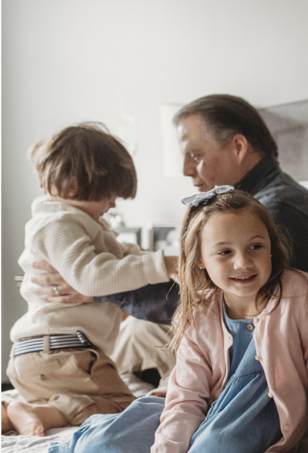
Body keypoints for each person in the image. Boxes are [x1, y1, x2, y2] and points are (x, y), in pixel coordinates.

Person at [48, 188, 308, 453]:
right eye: (225, 252)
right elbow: (187, 396)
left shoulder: (300, 293)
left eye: (255, 246)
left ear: (271, 246)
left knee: (217, 449)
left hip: (259, 411)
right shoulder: (199, 309)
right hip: (201, 405)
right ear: (201, 260)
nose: (243, 262)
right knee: (101, 444)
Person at [28, 94, 308, 385]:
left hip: (262, 338)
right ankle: (65, 383)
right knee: (133, 332)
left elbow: (213, 298)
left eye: (194, 154)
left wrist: (97, 290)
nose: (184, 169)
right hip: (234, 325)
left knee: (136, 335)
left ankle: (84, 387)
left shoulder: (274, 213)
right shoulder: (254, 202)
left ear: (238, 146)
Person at [3, 124, 177, 436]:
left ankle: (31, 410)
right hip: (64, 352)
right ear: (72, 186)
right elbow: (92, 278)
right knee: (124, 410)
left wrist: (157, 260)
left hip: (44, 357)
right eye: (109, 195)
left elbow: (122, 256)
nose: (112, 204)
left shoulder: (78, 224)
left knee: (85, 402)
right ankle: (40, 411)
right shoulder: (59, 223)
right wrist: (162, 263)